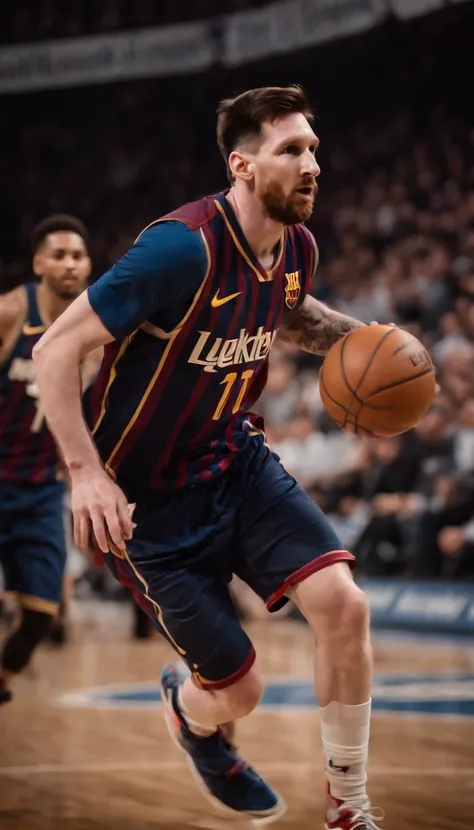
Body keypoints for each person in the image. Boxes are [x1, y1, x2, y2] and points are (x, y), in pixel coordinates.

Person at [33, 87, 383, 830]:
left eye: (314, 148)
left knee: (346, 606)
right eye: (291, 150)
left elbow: (291, 314)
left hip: (234, 462)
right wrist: (84, 473)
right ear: (244, 165)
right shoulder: (179, 247)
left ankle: (348, 807)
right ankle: (189, 716)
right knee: (239, 691)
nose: (312, 163)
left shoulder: (299, 249)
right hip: (144, 503)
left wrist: (373, 349)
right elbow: (56, 346)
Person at [0, 215, 93, 704]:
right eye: (58, 254)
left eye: (78, 255)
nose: (69, 263)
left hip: (40, 491)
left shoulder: (94, 330)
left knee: (43, 612)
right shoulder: (12, 312)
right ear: (38, 264)